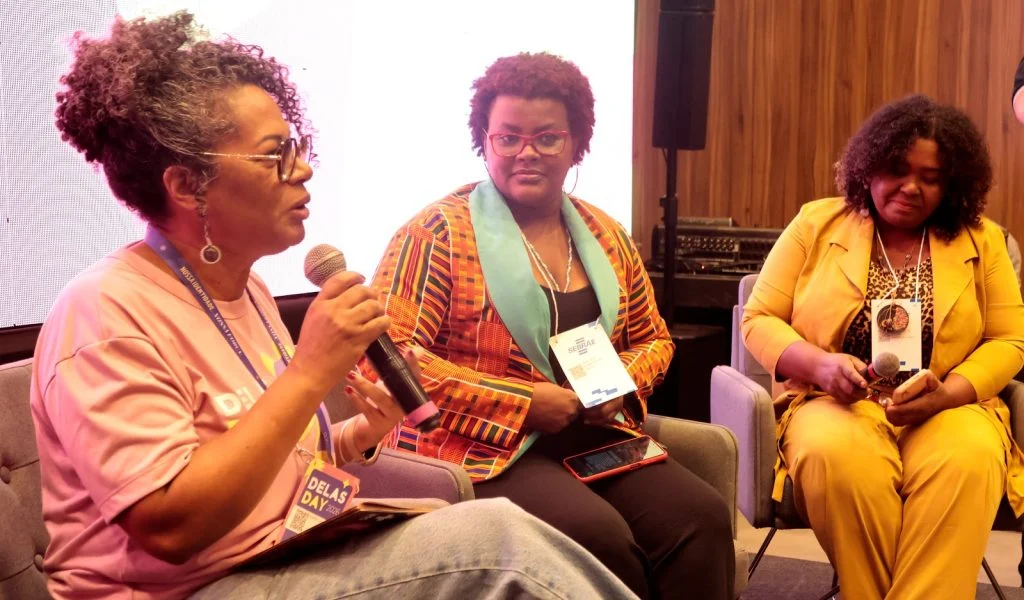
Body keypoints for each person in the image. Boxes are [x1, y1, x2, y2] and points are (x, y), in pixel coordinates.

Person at [30, 13, 640, 600]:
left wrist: (359, 434)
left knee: (505, 529)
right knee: (500, 543)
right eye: (275, 154)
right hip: (196, 587)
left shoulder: (245, 290)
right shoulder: (105, 312)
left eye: (297, 147)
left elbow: (270, 457)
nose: (303, 169)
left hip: (284, 552)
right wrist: (308, 372)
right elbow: (172, 527)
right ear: (189, 185)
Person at [369, 52, 735, 600]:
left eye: (547, 138)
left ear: (576, 143)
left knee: (699, 518)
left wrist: (618, 385)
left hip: (593, 435)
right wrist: (523, 403)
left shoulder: (604, 233)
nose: (526, 153)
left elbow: (654, 339)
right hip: (474, 450)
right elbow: (387, 359)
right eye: (508, 138)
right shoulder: (436, 234)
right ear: (484, 140)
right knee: (594, 537)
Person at [742, 94, 1024, 599]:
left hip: (950, 405)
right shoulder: (814, 224)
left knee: (968, 459)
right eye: (897, 169)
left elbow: (1009, 339)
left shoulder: (984, 241)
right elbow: (760, 319)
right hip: (832, 402)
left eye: (931, 177)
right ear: (868, 166)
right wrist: (821, 366)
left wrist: (951, 393)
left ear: (952, 184)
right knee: (838, 457)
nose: (911, 187)